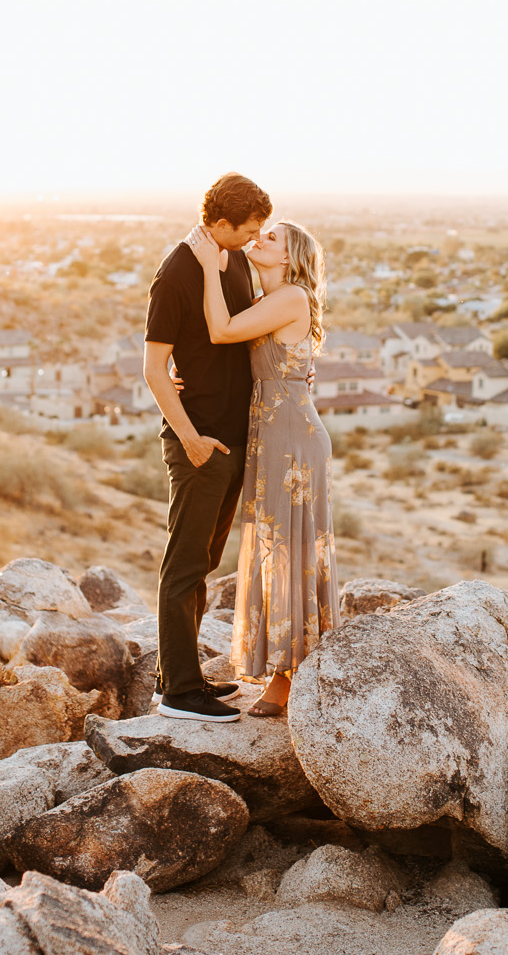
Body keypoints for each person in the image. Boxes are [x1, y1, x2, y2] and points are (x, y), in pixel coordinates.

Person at [185, 218, 336, 719]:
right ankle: (287, 665)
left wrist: (208, 264)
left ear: (291, 258)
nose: (259, 239)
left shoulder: (291, 297)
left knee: (287, 549)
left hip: (292, 437)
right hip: (270, 433)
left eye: (271, 238)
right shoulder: (264, 300)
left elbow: (222, 330)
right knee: (274, 546)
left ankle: (286, 677)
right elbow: (229, 348)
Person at [142, 172, 272, 723]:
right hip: (201, 440)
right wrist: (191, 439)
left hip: (232, 435)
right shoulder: (176, 270)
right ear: (219, 224)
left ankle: (181, 676)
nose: (253, 238)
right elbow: (153, 367)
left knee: (204, 561)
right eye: (247, 230)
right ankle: (177, 695)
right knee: (185, 564)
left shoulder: (232, 259)